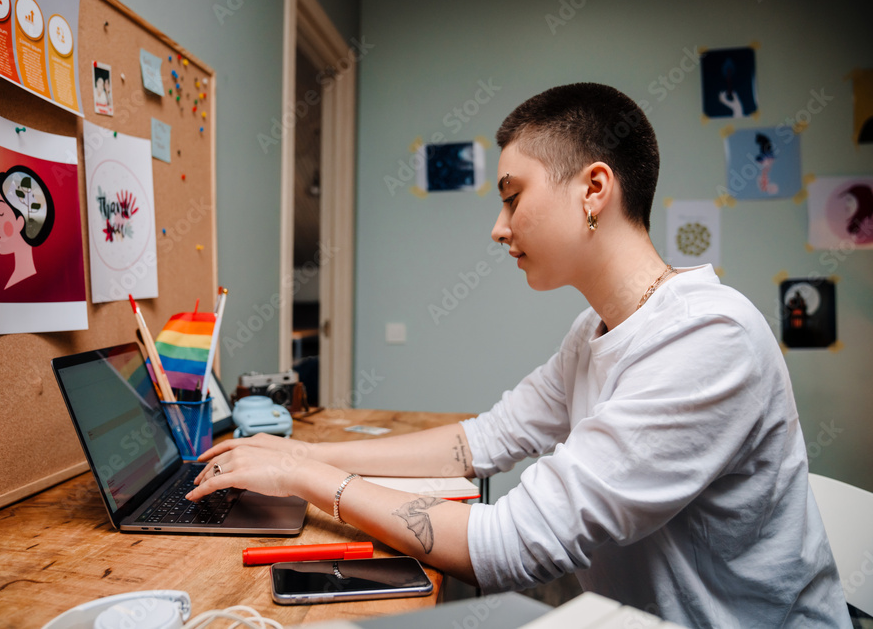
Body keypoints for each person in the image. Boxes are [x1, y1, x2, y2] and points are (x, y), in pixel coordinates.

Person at [187, 83, 850, 627]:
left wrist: (307, 480)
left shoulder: (709, 339)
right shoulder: (594, 328)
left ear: (594, 189)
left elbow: (508, 544)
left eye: (512, 196)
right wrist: (304, 453)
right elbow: (478, 443)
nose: (498, 227)